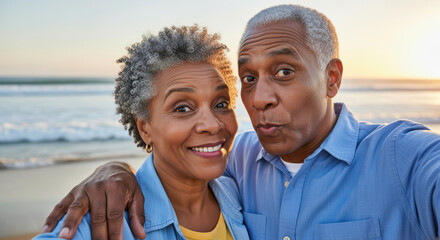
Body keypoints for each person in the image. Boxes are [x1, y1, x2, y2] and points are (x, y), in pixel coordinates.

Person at [43, 4, 440, 240]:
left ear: (331, 78)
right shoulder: (235, 166)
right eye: (248, 79)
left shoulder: (400, 156)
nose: (260, 97)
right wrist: (115, 171)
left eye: (284, 71)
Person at [34, 25, 249, 239]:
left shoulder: (241, 192)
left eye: (221, 104)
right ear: (144, 128)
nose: (212, 124)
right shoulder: (106, 222)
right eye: (182, 108)